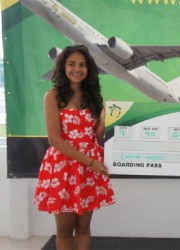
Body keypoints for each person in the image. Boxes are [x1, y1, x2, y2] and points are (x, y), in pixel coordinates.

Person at [33, 45, 115, 249]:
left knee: (84, 227)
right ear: (63, 67)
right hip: (63, 167)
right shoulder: (52, 96)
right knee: (64, 230)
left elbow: (95, 138)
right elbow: (55, 139)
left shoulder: (94, 97)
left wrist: (104, 122)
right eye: (71, 64)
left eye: (82, 65)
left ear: (89, 69)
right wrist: (90, 162)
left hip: (89, 169)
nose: (77, 69)